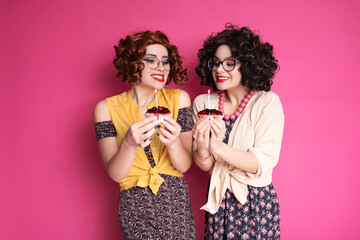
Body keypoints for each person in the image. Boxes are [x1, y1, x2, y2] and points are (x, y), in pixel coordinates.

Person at [94, 30, 196, 239]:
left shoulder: (180, 99)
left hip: (173, 198)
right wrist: (129, 145)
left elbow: (184, 165)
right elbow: (116, 174)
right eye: (151, 60)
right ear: (133, 63)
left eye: (166, 62)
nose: (161, 67)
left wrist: (175, 143)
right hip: (134, 201)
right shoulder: (105, 108)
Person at [192, 23, 284, 239]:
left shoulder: (266, 102)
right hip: (219, 199)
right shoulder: (203, 103)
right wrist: (203, 151)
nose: (219, 70)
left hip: (255, 203)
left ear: (249, 65)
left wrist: (217, 147)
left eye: (229, 63)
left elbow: (260, 163)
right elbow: (207, 166)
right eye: (215, 63)